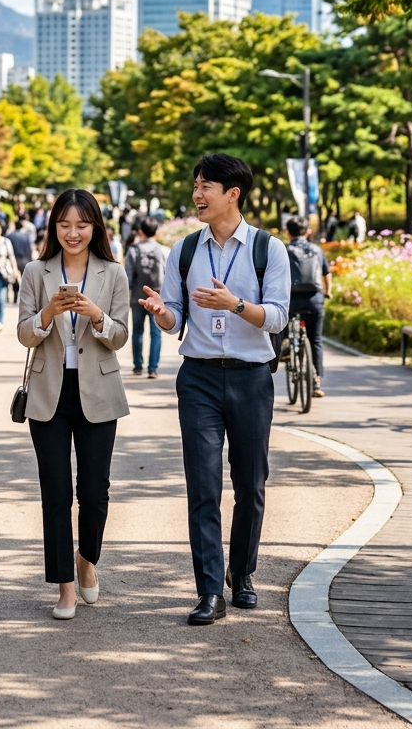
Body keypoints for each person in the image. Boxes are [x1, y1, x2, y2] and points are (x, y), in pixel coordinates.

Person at [140, 154, 290, 626]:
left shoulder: (269, 249)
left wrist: (237, 304)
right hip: (199, 377)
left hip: (251, 377)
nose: (197, 195)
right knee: (203, 488)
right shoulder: (184, 251)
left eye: (206, 186)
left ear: (233, 194)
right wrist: (162, 313)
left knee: (251, 484)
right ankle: (208, 592)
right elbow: (175, 320)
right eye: (196, 185)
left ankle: (241, 575)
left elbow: (279, 317)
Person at [17, 188, 130, 620]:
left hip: (98, 393)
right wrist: (48, 313)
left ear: (95, 227)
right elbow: (25, 334)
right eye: (64, 225)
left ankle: (87, 562)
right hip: (49, 394)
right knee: (56, 493)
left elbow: (119, 337)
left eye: (81, 225)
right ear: (54, 228)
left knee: (95, 493)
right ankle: (64, 587)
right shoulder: (35, 271)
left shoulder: (112, 274)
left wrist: (96, 315)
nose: (73, 233)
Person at [285, 216, 332, 398]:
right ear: (308, 232)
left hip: (290, 299)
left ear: (287, 233)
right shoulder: (317, 250)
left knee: (281, 325)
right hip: (314, 299)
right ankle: (317, 380)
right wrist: (328, 292)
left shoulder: (284, 249)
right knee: (316, 340)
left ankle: (285, 347)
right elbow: (326, 273)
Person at [125, 217, 168, 379]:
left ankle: (137, 366)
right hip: (157, 298)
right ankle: (153, 368)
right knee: (156, 333)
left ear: (140, 232)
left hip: (138, 297)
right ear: (156, 232)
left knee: (138, 332)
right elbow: (168, 276)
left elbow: (128, 276)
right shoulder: (163, 251)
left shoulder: (133, 250)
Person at [7, 220, 35, 302]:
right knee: (25, 279)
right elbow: (31, 248)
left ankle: (15, 295)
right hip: (26, 259)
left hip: (14, 259)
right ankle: (25, 297)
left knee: (14, 278)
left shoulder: (10, 236)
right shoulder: (27, 236)